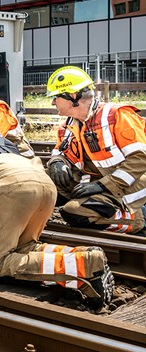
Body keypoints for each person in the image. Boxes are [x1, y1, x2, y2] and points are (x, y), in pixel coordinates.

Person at [0, 111, 113, 308]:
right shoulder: (4, 142)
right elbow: (11, 178)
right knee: (23, 246)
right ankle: (84, 255)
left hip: (12, 189)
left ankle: (81, 267)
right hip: (45, 186)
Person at [45, 65, 146, 234]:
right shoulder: (71, 123)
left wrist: (102, 185)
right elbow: (60, 151)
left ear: (72, 96)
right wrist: (57, 162)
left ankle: (139, 218)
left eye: (56, 97)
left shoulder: (116, 116)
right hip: (97, 181)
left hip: (132, 184)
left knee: (75, 212)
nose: (53, 102)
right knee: (44, 182)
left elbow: (141, 159)